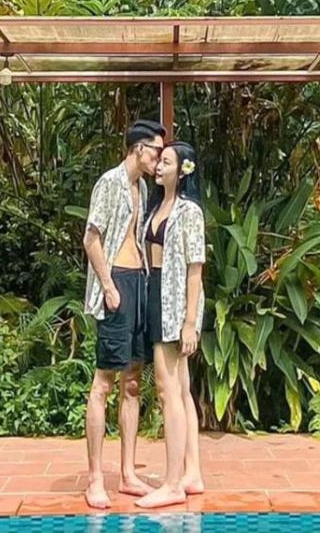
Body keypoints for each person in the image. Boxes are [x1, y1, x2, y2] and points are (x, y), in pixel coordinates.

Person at [82, 118, 166, 510]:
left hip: (138, 279)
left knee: (132, 382)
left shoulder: (142, 187)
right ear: (138, 148)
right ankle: (95, 479)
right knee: (104, 382)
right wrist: (108, 286)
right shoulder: (109, 182)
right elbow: (91, 238)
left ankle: (128, 473)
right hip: (115, 280)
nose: (159, 159)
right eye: (156, 152)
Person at [135, 141, 206, 509]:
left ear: (183, 170)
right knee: (181, 388)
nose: (159, 167)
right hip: (155, 292)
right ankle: (192, 472)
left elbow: (195, 268)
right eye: (159, 161)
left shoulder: (189, 211)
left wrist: (189, 321)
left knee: (167, 391)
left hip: (174, 300)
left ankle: (173, 482)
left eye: (166, 162)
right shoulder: (156, 205)